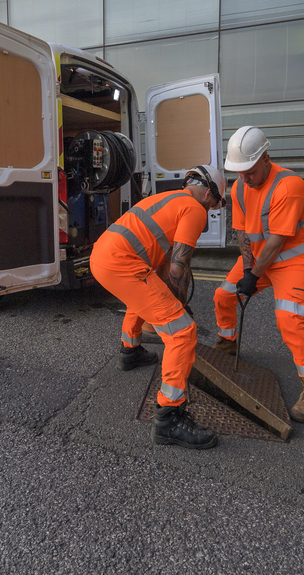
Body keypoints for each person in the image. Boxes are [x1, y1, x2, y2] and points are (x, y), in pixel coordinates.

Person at [90, 166, 227, 449]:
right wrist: (180, 307)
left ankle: (130, 351)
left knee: (144, 294)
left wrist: (171, 300)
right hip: (122, 263)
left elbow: (162, 270)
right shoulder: (195, 209)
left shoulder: (167, 199)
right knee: (181, 331)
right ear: (208, 192)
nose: (212, 210)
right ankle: (169, 419)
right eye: (215, 203)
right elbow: (177, 269)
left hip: (104, 255)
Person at [214, 126, 304, 423]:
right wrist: (249, 270)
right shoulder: (240, 187)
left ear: (265, 158)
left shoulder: (290, 187)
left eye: (249, 171)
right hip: (262, 260)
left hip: (296, 262)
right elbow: (242, 233)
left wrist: (253, 275)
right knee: (223, 295)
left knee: (289, 319)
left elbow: (277, 242)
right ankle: (227, 343)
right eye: (239, 172)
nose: (244, 178)